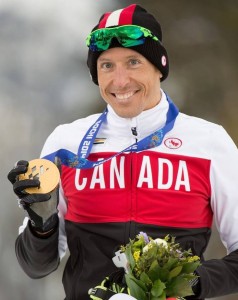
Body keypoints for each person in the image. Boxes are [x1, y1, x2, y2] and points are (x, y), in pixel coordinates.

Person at [7, 3, 238, 300]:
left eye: (133, 62)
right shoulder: (66, 142)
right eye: (107, 65)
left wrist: (185, 283)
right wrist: (41, 223)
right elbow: (35, 267)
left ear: (159, 66)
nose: (120, 81)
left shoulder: (208, 142)